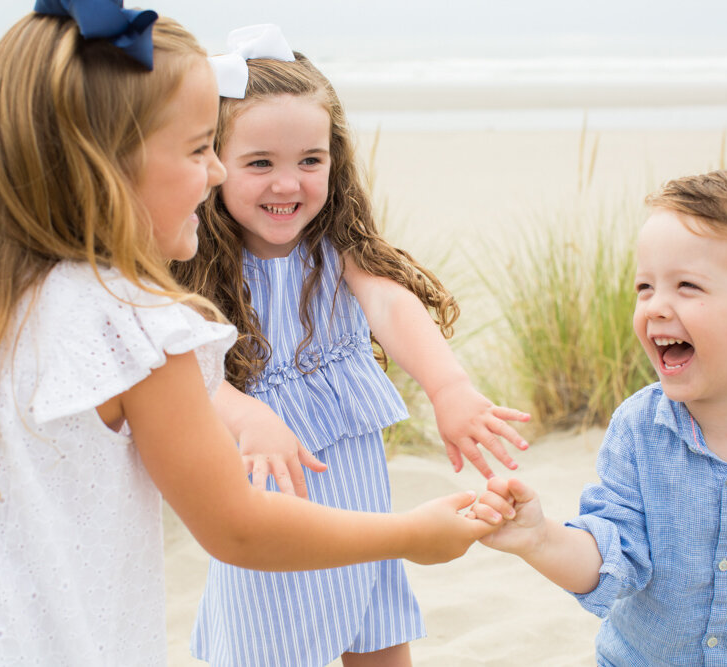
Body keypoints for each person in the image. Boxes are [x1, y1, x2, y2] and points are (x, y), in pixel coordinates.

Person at [0, 6, 495, 665]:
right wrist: (412, 533)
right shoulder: (135, 325)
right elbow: (236, 525)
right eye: (201, 148)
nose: (215, 174)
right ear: (106, 164)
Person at [172, 24, 530, 667]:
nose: (289, 184)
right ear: (214, 164)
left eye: (310, 160)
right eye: (261, 164)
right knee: (269, 628)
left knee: (374, 615)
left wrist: (448, 388)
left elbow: (394, 307)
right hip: (269, 480)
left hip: (357, 487)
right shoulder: (193, 264)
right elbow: (184, 366)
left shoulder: (339, 251)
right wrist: (245, 413)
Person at [472, 170, 727, 666]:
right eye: (645, 287)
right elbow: (613, 554)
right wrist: (541, 540)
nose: (655, 307)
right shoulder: (638, 429)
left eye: (687, 286)